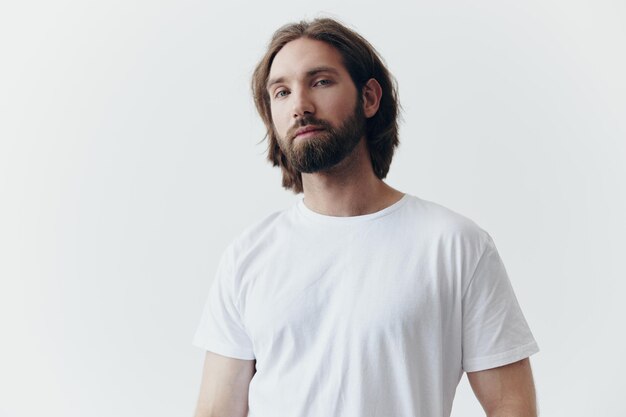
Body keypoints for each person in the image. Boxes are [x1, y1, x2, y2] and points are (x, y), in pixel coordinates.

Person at [192, 17, 539, 417]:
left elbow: (511, 405)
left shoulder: (454, 245)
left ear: (370, 98)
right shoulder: (247, 256)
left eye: (320, 81)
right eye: (282, 92)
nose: (300, 106)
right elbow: (217, 410)